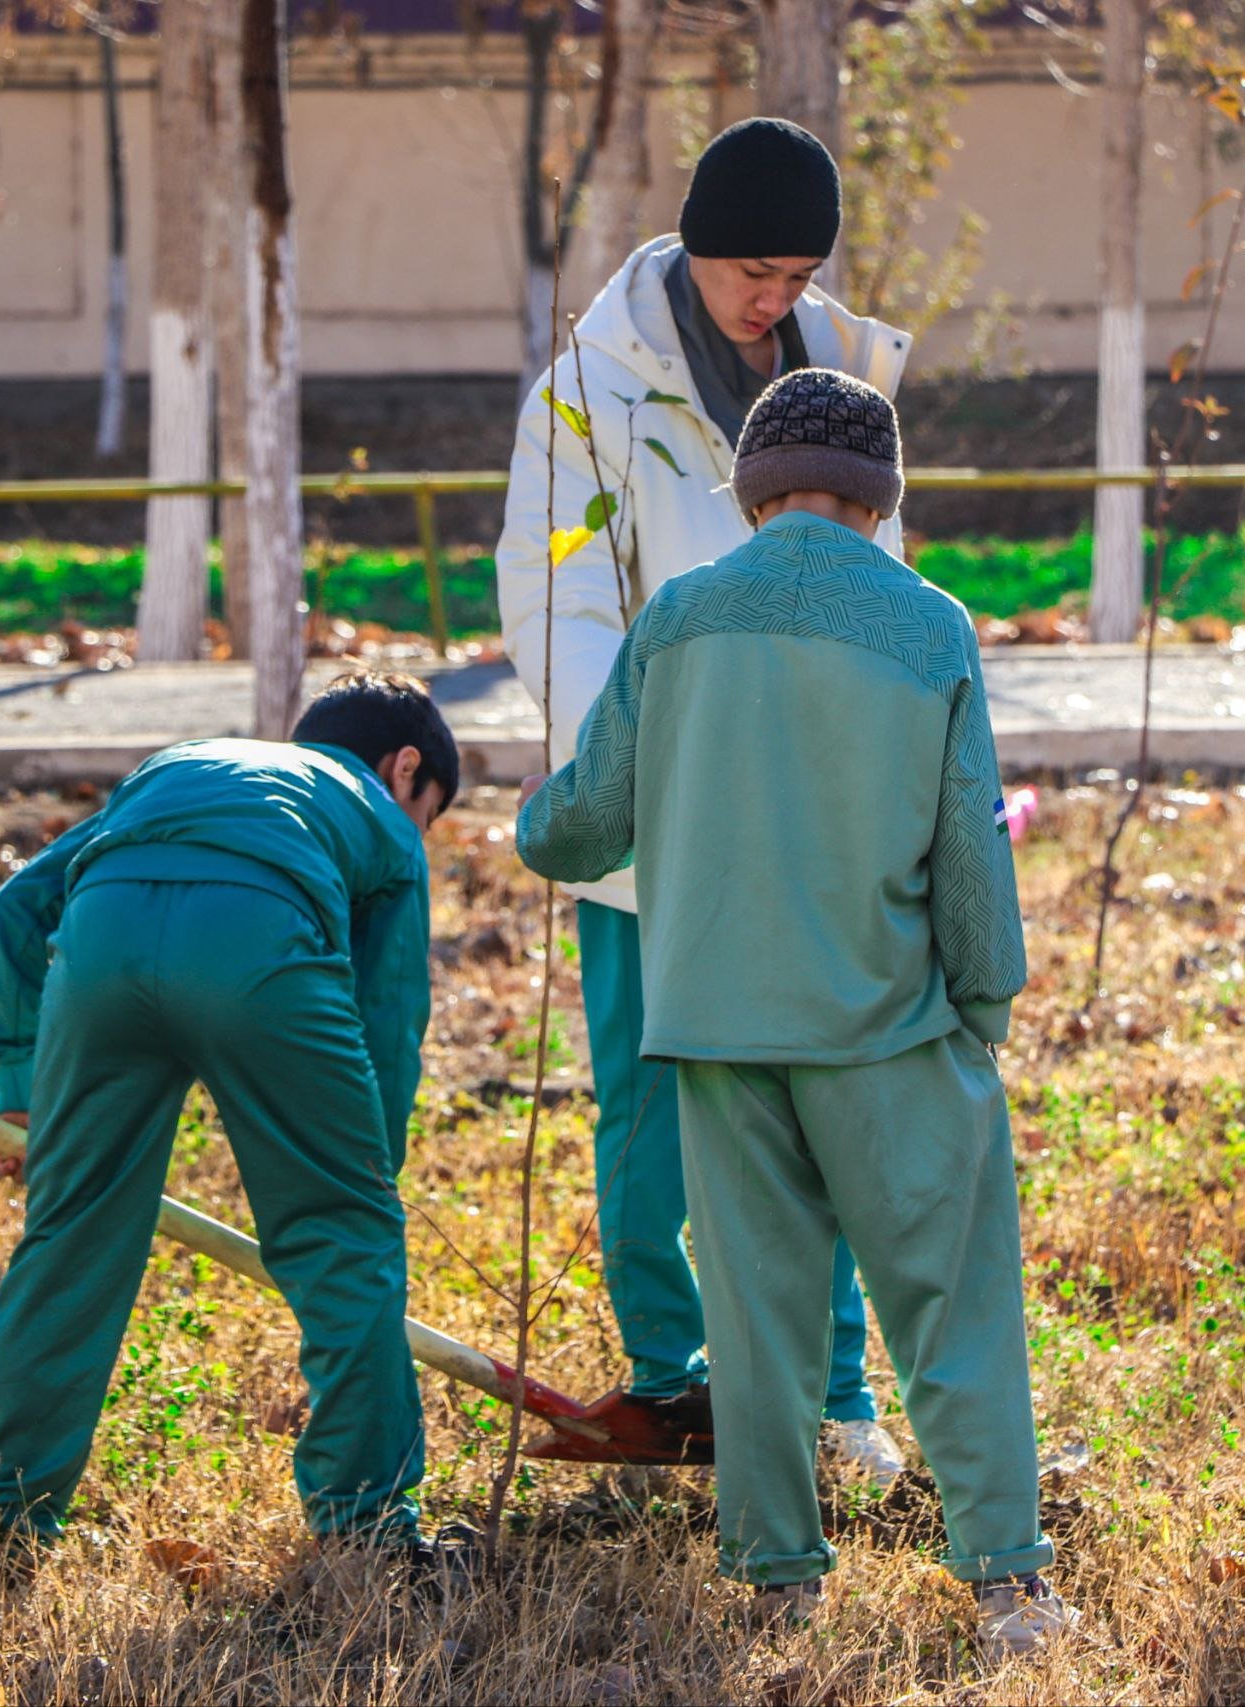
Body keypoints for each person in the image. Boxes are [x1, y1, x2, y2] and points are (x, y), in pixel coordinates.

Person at [515, 368, 1075, 1657]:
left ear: (751, 492)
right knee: (949, 1302)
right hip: (882, 1019)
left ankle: (781, 1582)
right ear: (881, 504)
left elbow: (587, 820)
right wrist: (983, 1000)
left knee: (756, 1321)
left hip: (715, 1025)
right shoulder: (928, 625)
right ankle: (1004, 1586)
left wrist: (531, 829)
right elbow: (972, 845)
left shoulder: (675, 618)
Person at [494, 116, 911, 1481]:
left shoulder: (842, 376)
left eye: (794, 272)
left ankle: (836, 1392)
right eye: (750, 267)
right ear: (696, 243)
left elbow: (880, 593)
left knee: (819, 1095)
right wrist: (656, 759)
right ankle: (679, 1382)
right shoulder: (588, 395)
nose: (770, 296)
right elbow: (554, 607)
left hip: (812, 818)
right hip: (653, 818)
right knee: (650, 1100)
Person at [0, 672, 460, 1566]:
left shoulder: (180, 767)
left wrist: (17, 1074)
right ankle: (368, 1528)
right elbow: (387, 1011)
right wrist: (362, 1173)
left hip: (100, 945)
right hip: (256, 940)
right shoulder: (380, 819)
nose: (420, 830)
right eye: (431, 812)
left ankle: (5, 1514)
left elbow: (14, 911)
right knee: (345, 1240)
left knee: (70, 1231)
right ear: (404, 768)